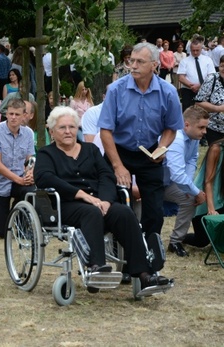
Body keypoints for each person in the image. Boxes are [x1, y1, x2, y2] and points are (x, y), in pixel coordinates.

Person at [34, 106, 172, 290]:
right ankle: (96, 268)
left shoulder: (91, 150)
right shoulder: (46, 154)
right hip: (66, 205)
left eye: (72, 127)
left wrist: (106, 200)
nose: (68, 131)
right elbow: (45, 178)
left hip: (100, 202)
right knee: (91, 212)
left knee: (124, 212)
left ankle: (144, 274)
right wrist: (82, 195)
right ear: (52, 131)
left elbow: (106, 176)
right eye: (62, 128)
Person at [99, 42, 184, 238]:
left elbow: (172, 127)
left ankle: (150, 255)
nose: (133, 66)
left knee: (155, 211)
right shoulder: (116, 90)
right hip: (118, 152)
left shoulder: (168, 92)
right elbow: (105, 131)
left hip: (150, 152)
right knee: (117, 206)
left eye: (139, 62)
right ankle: (120, 251)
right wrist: (118, 166)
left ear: (154, 65)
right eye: (131, 61)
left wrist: (162, 148)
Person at [0, 98, 35, 238]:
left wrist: (30, 173)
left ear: (24, 115)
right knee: (3, 233)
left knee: (31, 190)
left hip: (18, 178)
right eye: (11, 113)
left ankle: (20, 220)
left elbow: (30, 159)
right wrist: (18, 179)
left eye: (17, 114)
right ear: (6, 113)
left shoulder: (28, 133)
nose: (13, 117)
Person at [163, 105, 209, 257]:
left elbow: (191, 161)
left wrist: (189, 189)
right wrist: (196, 192)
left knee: (188, 199)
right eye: (201, 127)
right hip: (149, 184)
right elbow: (177, 174)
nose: (205, 132)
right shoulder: (176, 139)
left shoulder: (194, 137)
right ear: (186, 125)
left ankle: (175, 241)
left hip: (166, 183)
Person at [178, 37, 214, 111]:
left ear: (201, 49)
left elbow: (211, 76)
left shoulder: (208, 60)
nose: (195, 52)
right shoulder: (184, 61)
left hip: (204, 89)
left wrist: (200, 85)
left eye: (197, 50)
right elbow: (181, 77)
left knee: (203, 111)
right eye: (193, 50)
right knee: (187, 111)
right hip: (188, 90)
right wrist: (192, 86)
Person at [194, 55, 224, 144]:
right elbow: (198, 102)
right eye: (222, 66)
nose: (223, 69)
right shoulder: (212, 79)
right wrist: (218, 109)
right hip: (214, 128)